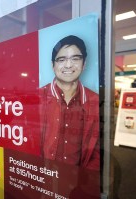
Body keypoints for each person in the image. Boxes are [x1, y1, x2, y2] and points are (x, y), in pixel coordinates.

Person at [39, 35, 99, 170]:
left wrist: (86, 181)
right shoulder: (37, 97)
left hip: (77, 180)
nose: (68, 65)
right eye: (61, 59)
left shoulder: (94, 100)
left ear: (84, 64)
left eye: (75, 59)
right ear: (52, 65)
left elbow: (96, 149)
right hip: (43, 176)